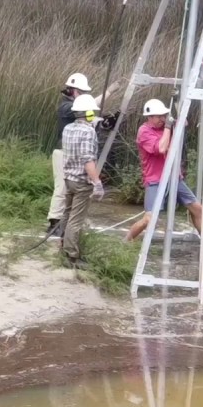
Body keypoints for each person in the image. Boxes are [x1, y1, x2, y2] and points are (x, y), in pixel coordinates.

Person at [125, 99, 203, 253]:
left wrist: (179, 106)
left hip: (174, 178)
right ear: (150, 117)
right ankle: (126, 242)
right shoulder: (144, 131)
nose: (162, 119)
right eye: (159, 116)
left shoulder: (166, 126)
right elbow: (161, 148)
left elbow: (184, 122)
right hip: (156, 180)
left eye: (164, 115)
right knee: (149, 219)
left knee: (197, 209)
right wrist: (168, 127)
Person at [48, 72, 117, 237]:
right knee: (62, 187)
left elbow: (87, 115)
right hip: (63, 152)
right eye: (81, 91)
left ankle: (65, 221)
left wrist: (104, 121)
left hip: (72, 153)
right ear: (72, 90)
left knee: (69, 187)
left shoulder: (75, 107)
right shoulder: (66, 107)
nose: (82, 95)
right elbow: (85, 110)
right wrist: (108, 92)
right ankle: (54, 221)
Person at [59, 94, 105, 268]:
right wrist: (97, 183)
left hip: (68, 178)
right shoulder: (88, 132)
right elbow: (87, 159)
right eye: (92, 112)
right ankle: (72, 256)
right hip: (81, 181)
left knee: (66, 214)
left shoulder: (68, 129)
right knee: (76, 220)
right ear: (88, 113)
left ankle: (62, 247)